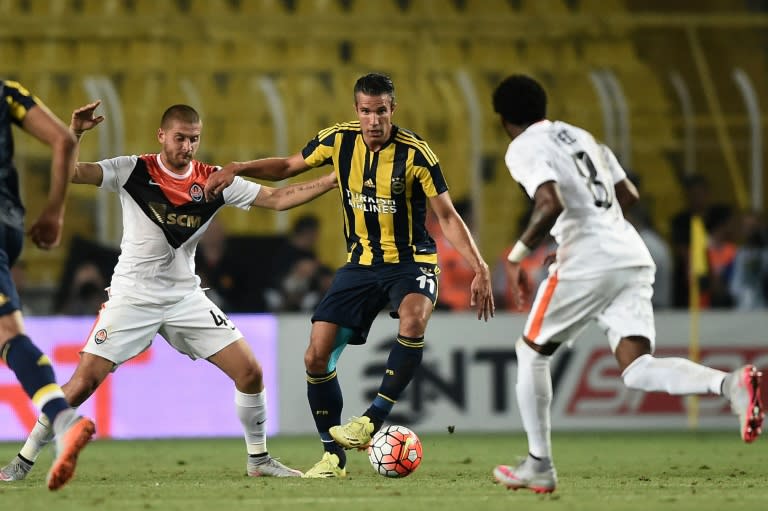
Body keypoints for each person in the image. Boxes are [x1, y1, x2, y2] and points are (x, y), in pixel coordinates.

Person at [0, 101, 338, 482]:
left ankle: (258, 460)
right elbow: (74, 172)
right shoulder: (133, 170)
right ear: (161, 136)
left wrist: (332, 179)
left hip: (184, 298)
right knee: (82, 384)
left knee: (250, 373)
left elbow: (278, 199)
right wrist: (74, 133)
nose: (187, 147)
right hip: (132, 297)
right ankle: (22, 462)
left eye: (194, 139)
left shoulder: (214, 181)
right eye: (180, 138)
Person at [205, 73, 495, 478]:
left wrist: (479, 266)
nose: (373, 120)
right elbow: (288, 166)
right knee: (315, 355)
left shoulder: (417, 154)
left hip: (411, 262)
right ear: (355, 110)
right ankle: (331, 456)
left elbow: (446, 216)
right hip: (360, 264)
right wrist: (239, 167)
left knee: (413, 320)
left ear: (393, 109)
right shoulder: (338, 140)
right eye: (365, 111)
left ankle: (371, 419)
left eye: (380, 111)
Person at [489, 75, 764, 494]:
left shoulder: (523, 146)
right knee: (636, 369)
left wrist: (516, 257)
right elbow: (628, 195)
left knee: (530, 352)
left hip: (589, 258)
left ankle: (539, 464)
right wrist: (589, 228)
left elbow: (549, 201)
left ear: (505, 121)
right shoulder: (580, 136)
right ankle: (729, 384)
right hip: (631, 253)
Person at [0, 80, 95, 490]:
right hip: (9, 223)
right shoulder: (6, 91)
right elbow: (61, 139)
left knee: (7, 333)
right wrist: (54, 212)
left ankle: (63, 419)